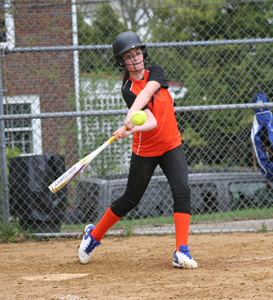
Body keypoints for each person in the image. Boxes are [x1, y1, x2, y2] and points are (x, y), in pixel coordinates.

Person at [77, 31, 198, 269]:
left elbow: (147, 94)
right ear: (121, 62)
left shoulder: (156, 72)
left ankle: (181, 251)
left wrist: (129, 119)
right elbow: (150, 121)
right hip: (147, 150)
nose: (135, 58)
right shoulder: (127, 89)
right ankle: (93, 236)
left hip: (172, 143)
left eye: (137, 52)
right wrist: (130, 130)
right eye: (129, 56)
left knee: (182, 190)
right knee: (131, 199)